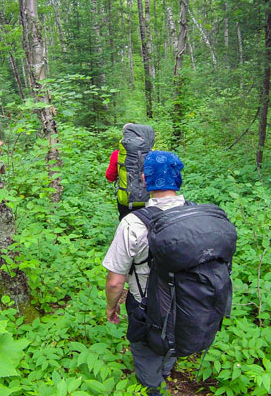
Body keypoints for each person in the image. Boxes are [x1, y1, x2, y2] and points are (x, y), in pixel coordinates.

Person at [102, 150, 185, 396]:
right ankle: (167, 370)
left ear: (145, 180)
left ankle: (152, 388)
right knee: (172, 339)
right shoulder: (194, 215)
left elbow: (116, 281)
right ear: (177, 178)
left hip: (148, 307)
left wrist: (111, 307)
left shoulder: (133, 223)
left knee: (147, 349)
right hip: (186, 302)